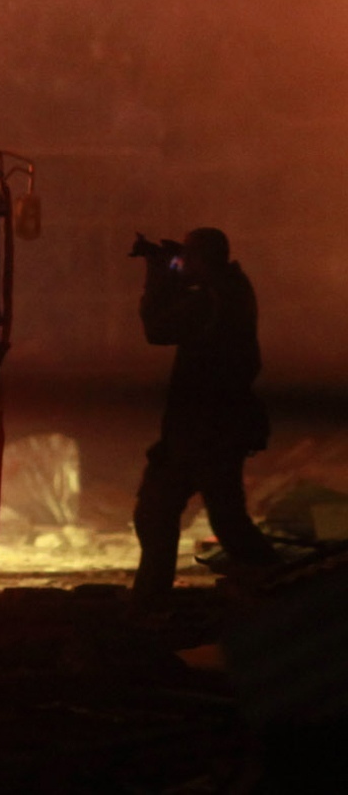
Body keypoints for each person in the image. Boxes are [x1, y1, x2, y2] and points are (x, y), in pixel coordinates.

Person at [131, 227, 279, 604]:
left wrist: (158, 274)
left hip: (203, 430)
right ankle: (279, 585)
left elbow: (158, 328)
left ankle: (152, 601)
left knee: (160, 511)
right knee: (224, 518)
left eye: (189, 258)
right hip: (215, 427)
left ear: (202, 261)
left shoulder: (213, 299)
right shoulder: (229, 290)